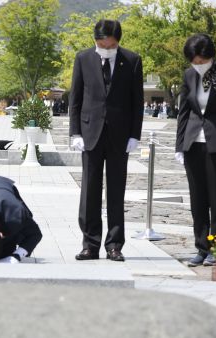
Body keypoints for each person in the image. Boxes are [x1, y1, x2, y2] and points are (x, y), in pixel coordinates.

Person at [69, 19, 144, 262]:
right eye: (100, 43)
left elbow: (137, 102)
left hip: (119, 136)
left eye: (109, 44)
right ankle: (90, 244)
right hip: (90, 134)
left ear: (117, 42)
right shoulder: (83, 58)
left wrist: (135, 135)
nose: (104, 47)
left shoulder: (132, 60)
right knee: (89, 191)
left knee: (115, 191)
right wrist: (75, 133)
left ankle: (114, 245)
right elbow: (76, 99)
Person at [175, 34, 216, 267]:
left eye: (202, 61)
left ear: (211, 57)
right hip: (193, 143)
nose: (198, 65)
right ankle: (201, 247)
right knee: (197, 199)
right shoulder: (188, 75)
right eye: (194, 61)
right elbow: (183, 112)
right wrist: (179, 145)